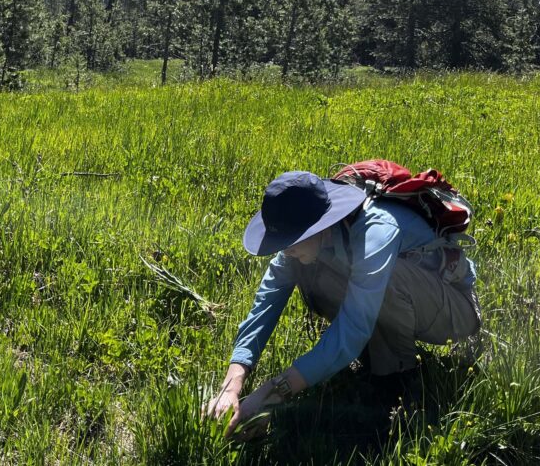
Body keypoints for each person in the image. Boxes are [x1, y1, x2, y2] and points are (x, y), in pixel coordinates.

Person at [204, 170, 481, 436]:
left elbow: (353, 329)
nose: (285, 250)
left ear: (319, 227)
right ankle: (375, 356)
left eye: (291, 242)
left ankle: (399, 383)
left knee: (387, 278)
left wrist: (272, 392)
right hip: (406, 302)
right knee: (311, 267)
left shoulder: (377, 230)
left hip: (454, 308)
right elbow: (266, 303)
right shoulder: (308, 239)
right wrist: (233, 383)